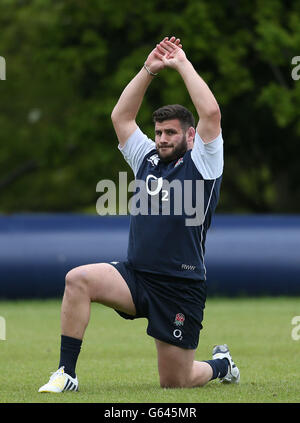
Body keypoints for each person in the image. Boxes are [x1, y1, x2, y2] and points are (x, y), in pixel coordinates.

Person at [38, 36, 239, 393]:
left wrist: (180, 64)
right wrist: (149, 69)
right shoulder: (145, 158)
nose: (161, 138)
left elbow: (211, 113)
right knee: (77, 279)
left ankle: (221, 364)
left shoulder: (204, 162)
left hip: (180, 286)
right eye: (159, 132)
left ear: (190, 136)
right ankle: (66, 373)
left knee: (175, 382)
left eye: (170, 133)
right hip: (135, 277)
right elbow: (121, 116)